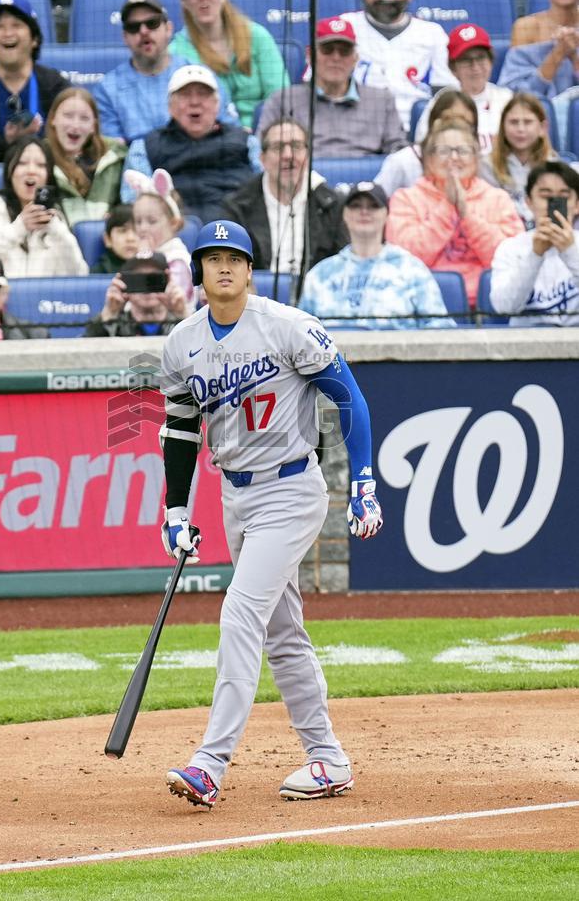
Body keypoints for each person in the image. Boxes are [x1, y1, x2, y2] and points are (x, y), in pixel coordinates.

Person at [159, 219, 382, 809]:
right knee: (283, 633)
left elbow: (350, 398)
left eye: (235, 257)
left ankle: (210, 763)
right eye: (213, 258)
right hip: (235, 495)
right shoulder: (181, 343)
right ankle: (328, 758)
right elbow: (180, 431)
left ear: (250, 269)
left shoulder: (288, 326)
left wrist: (363, 481)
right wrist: (175, 509)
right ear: (200, 271)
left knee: (240, 613)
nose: (224, 267)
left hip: (291, 488)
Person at [386, 118, 524, 304]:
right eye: (443, 151)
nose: (454, 158)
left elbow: (511, 260)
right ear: (428, 158)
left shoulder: (498, 199)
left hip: (487, 304)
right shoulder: (406, 199)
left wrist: (465, 213)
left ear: (476, 158)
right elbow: (405, 260)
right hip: (422, 302)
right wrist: (447, 207)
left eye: (463, 150)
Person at [299, 182, 455, 330]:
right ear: (344, 214)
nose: (364, 212)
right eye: (355, 206)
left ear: (387, 214)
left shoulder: (412, 269)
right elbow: (301, 334)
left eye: (374, 206)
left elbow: (441, 328)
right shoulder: (319, 275)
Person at [121, 64, 261, 223]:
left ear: (217, 105)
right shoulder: (144, 147)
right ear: (170, 107)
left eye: (203, 94)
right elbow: (133, 201)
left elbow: (266, 189)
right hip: (176, 233)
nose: (194, 102)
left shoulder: (246, 142)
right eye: (185, 95)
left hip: (238, 228)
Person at [94, 0, 237, 143]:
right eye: (133, 27)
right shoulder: (108, 88)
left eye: (152, 23)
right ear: (125, 37)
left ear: (168, 29)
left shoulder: (199, 75)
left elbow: (231, 132)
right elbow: (114, 152)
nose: (143, 31)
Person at [339, 0, 456, 130]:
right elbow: (315, 83)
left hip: (417, 130)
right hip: (356, 128)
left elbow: (446, 92)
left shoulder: (431, 33)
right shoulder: (345, 26)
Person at [257, 17, 407, 158]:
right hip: (304, 179)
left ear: (355, 59)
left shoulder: (381, 99)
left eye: (344, 51)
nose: (336, 58)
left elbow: (398, 151)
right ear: (310, 55)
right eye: (327, 50)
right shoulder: (283, 99)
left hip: (368, 182)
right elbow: (261, 148)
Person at [170, 0, 288, 129]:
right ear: (183, 1)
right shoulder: (176, 50)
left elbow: (279, 96)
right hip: (211, 137)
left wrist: (262, 132)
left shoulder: (257, 35)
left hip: (264, 131)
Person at [221, 118, 348, 273]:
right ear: (263, 159)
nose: (288, 155)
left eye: (296, 146)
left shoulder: (332, 204)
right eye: (278, 147)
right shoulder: (237, 207)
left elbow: (345, 266)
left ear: (307, 156)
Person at [0, 135, 88, 277]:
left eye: (40, 165)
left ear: (48, 175)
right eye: (22, 163)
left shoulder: (56, 220)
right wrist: (20, 227)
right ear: (9, 171)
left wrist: (57, 231)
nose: (31, 170)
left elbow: (78, 274)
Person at [0, 0, 68, 161]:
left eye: (16, 25)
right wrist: (8, 142)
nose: (8, 33)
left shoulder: (54, 85)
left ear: (35, 39)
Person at [490, 160, 579, 326]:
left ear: (577, 205)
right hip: (525, 345)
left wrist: (570, 251)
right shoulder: (509, 248)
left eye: (563, 197)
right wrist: (535, 255)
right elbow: (504, 307)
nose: (553, 205)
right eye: (545, 196)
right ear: (529, 202)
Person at [414, 24, 512, 155]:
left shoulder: (506, 98)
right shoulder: (442, 101)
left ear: (491, 61)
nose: (475, 67)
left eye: (481, 57)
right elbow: (423, 148)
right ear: (453, 68)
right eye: (466, 60)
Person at [45, 87, 127, 227]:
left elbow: (127, 204)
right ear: (53, 119)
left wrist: (116, 216)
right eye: (68, 116)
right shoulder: (39, 157)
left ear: (93, 126)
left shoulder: (115, 157)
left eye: (84, 118)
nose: (75, 125)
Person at [375, 90, 478, 197]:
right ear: (434, 121)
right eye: (450, 120)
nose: (455, 128)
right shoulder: (403, 161)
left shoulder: (479, 164)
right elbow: (374, 201)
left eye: (467, 124)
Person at [479, 93, 560, 229]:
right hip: (501, 235)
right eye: (513, 122)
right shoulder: (487, 166)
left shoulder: (553, 165)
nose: (520, 129)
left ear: (542, 128)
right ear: (502, 127)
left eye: (528, 122)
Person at [124, 168, 194, 311]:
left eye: (152, 221)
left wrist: (145, 260)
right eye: (138, 221)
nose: (143, 228)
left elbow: (165, 301)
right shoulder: (137, 255)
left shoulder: (178, 259)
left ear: (174, 223)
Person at [85, 250, 186, 336]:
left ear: (168, 281)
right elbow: (82, 354)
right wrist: (109, 314)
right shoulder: (114, 327)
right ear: (124, 283)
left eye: (153, 280)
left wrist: (182, 316)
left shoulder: (182, 325)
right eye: (138, 280)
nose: (147, 288)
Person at [90, 204, 138, 274]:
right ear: (108, 240)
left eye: (137, 231)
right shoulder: (98, 273)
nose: (130, 238)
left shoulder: (156, 269)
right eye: (123, 231)